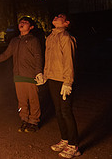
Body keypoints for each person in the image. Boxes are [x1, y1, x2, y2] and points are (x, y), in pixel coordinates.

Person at [0, 16, 43, 133]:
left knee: (33, 100)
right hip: (18, 76)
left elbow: (38, 57)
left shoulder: (33, 40)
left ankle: (34, 122)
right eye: (21, 22)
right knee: (22, 100)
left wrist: (39, 72)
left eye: (25, 22)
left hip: (30, 76)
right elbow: (5, 55)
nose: (22, 23)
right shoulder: (14, 41)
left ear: (31, 27)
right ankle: (24, 119)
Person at [37, 13, 80, 158]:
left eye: (60, 16)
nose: (56, 17)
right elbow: (48, 59)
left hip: (63, 80)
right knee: (58, 111)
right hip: (53, 79)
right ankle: (65, 139)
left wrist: (68, 82)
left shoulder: (66, 38)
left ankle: (74, 146)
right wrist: (45, 75)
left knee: (66, 111)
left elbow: (69, 61)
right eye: (55, 16)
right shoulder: (50, 37)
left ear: (66, 23)